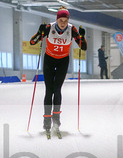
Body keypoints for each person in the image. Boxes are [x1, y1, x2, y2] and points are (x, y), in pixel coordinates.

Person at [29, 8, 86, 137]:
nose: (63, 23)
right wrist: (40, 32)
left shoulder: (72, 30)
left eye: (65, 21)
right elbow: (33, 41)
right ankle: (47, 122)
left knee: (57, 89)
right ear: (57, 19)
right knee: (49, 90)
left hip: (63, 62)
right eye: (61, 20)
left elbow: (83, 47)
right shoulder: (49, 28)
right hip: (49, 60)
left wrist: (82, 36)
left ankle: (56, 121)